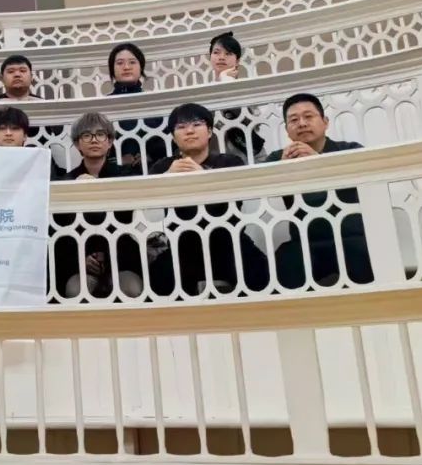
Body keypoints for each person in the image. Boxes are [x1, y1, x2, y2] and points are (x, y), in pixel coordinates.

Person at [148, 103, 271, 296]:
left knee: (260, 272)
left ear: (210, 131)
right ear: (173, 136)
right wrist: (165, 179)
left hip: (229, 241)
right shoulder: (163, 167)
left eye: (197, 124)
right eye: (181, 127)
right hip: (183, 245)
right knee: (158, 279)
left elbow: (237, 199)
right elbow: (149, 205)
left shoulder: (230, 162)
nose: (189, 131)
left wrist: (204, 177)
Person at [265, 93, 373, 287]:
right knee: (286, 258)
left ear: (325, 122)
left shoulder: (349, 150)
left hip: (351, 237)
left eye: (308, 116)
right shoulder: (278, 158)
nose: (302, 123)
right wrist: (282, 170)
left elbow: (368, 171)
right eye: (294, 120)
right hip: (304, 240)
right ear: (287, 130)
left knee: (366, 251)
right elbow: (260, 184)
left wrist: (319, 162)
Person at [54, 112, 144, 300]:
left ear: (109, 142)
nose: (94, 140)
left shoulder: (127, 175)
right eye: (87, 135)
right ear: (77, 144)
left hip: (121, 258)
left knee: (133, 289)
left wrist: (108, 258)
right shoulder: (66, 181)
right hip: (80, 260)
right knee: (74, 291)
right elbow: (62, 232)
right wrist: (82, 259)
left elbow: (128, 222)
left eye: (100, 134)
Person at [106, 42, 166, 170]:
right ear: (112, 69)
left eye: (132, 62)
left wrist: (149, 156)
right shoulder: (104, 104)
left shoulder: (154, 102)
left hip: (153, 169)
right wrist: (118, 159)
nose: (126, 67)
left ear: (141, 67)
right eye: (120, 63)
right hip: (113, 172)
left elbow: (167, 139)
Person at [208, 32, 266, 163]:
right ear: (210, 57)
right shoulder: (203, 91)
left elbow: (253, 122)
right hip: (215, 159)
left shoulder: (246, 89)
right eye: (216, 53)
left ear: (237, 61)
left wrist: (226, 81)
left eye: (228, 53)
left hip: (248, 158)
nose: (221, 57)